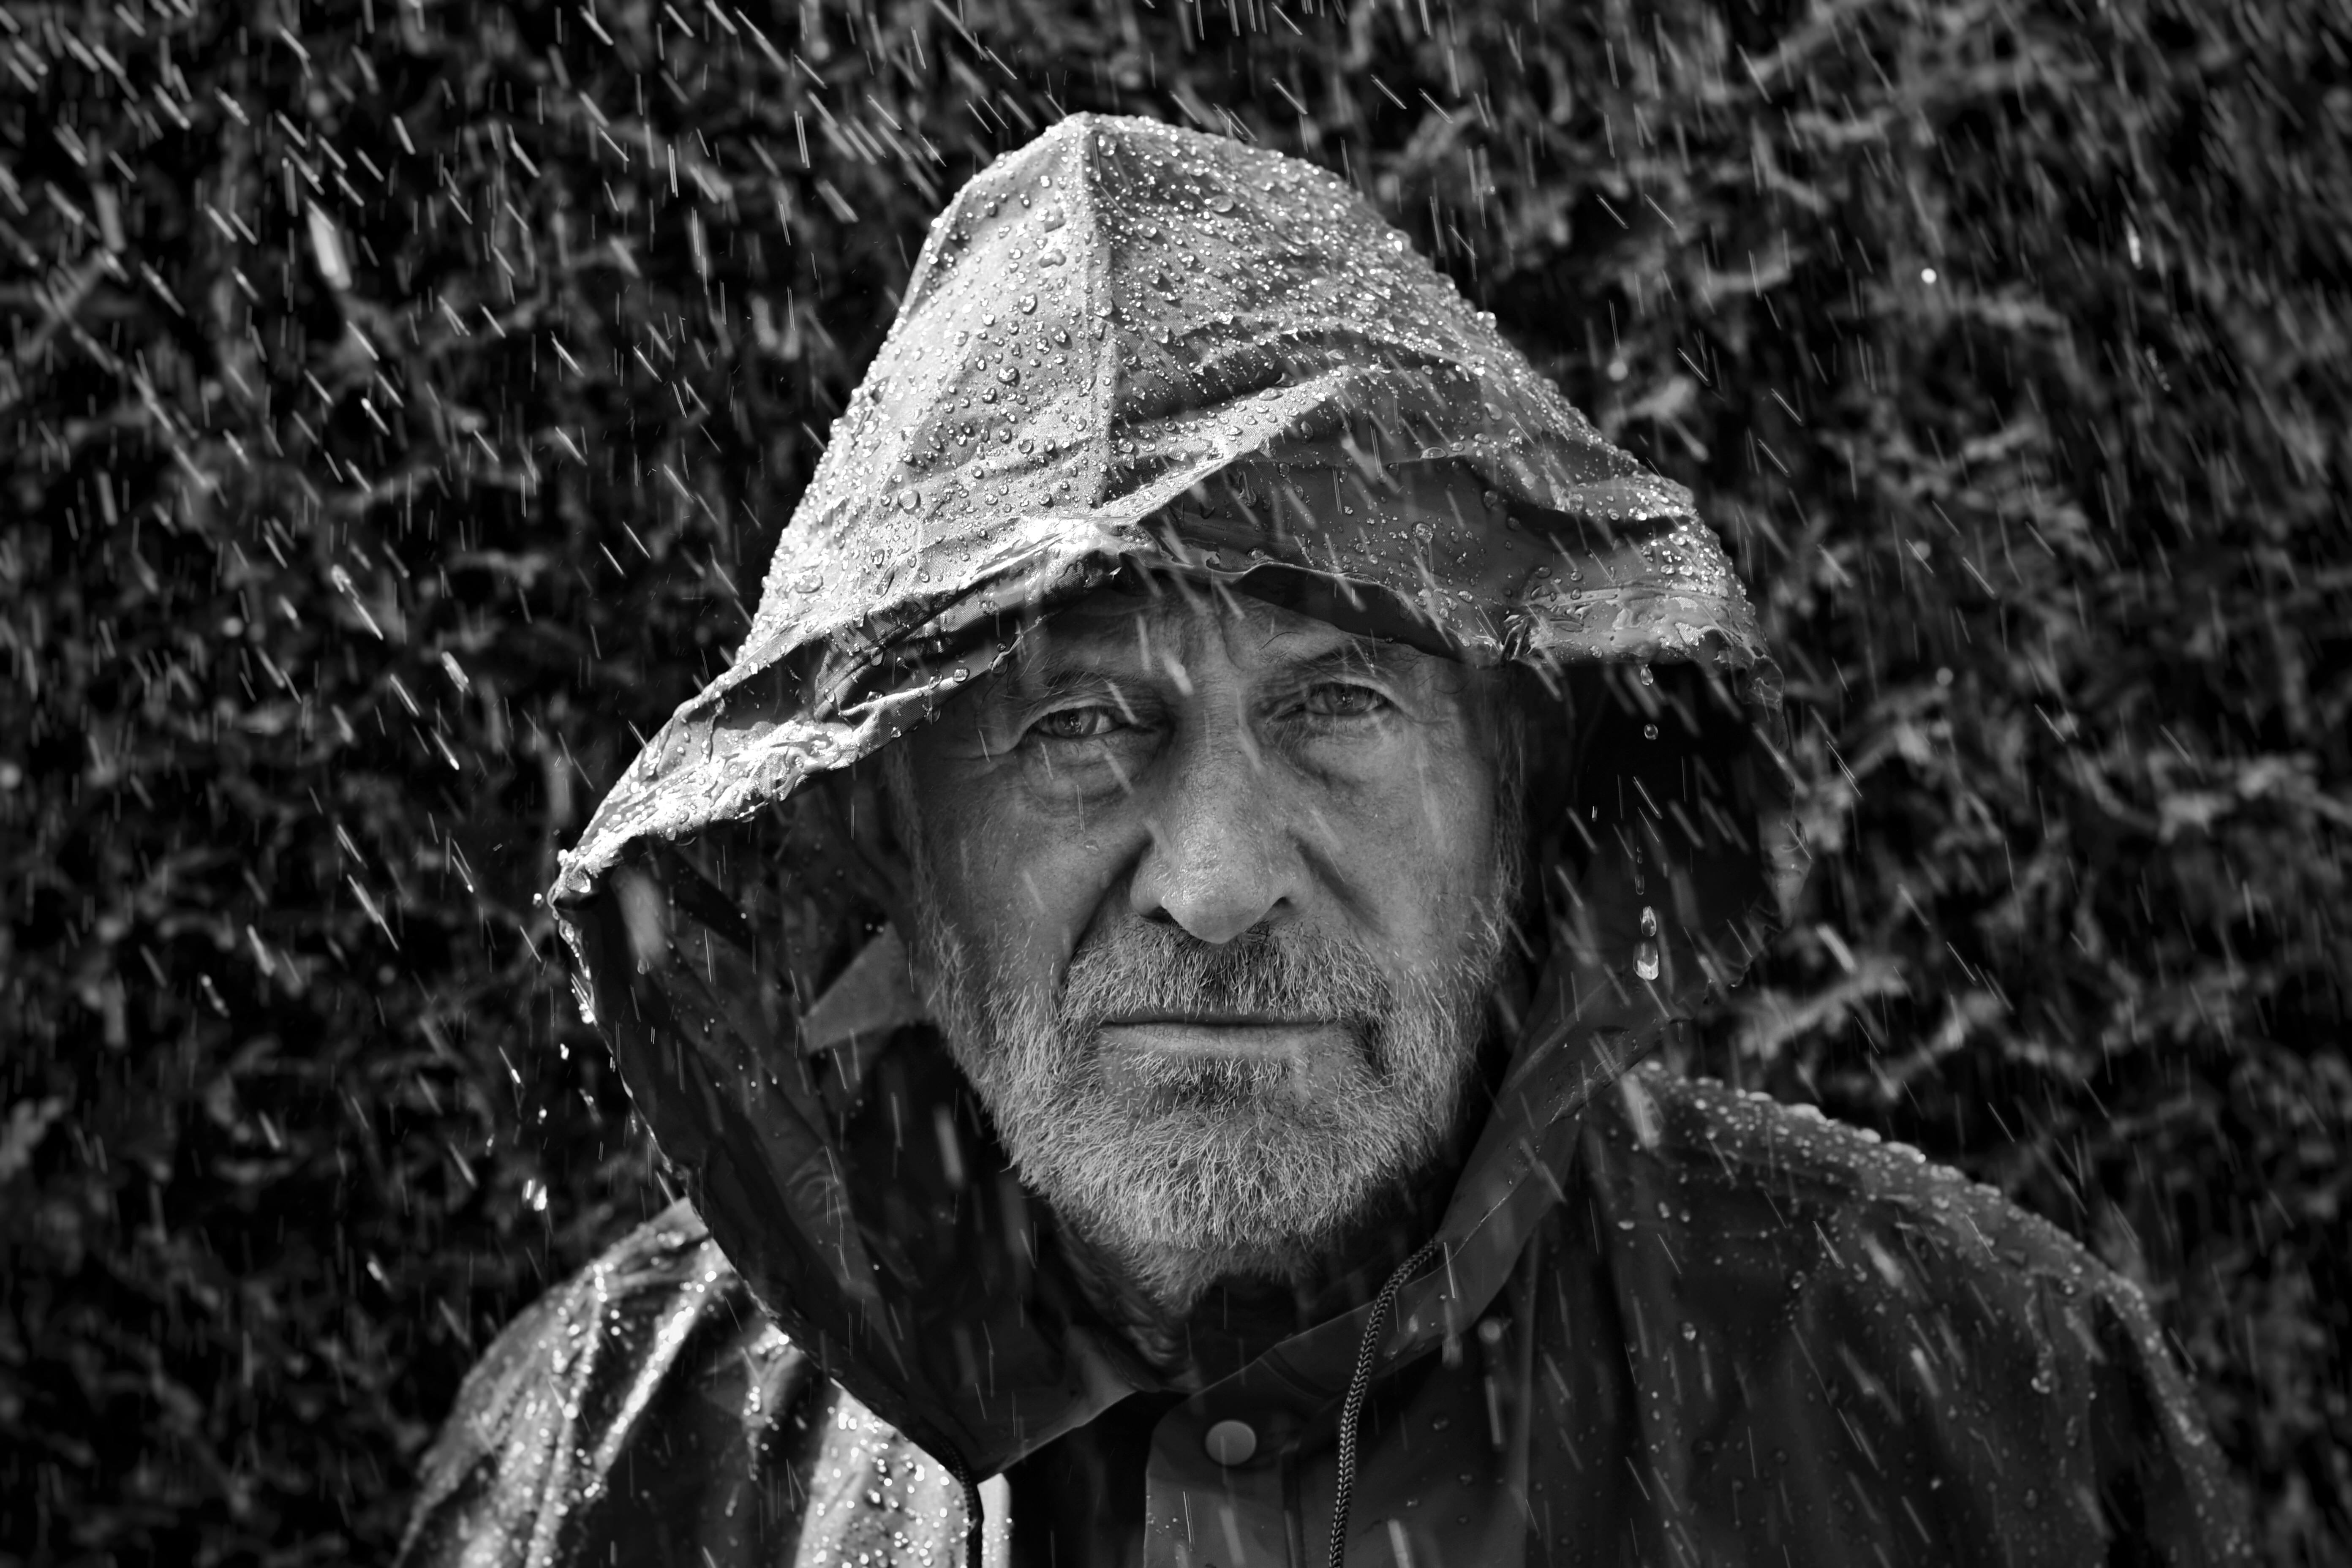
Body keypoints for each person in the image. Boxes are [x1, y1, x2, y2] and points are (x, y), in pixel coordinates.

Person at [397, 114, 2246, 1568]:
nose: (1213, 878)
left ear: (1530, 783)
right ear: (883, 826)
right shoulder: (613, 1473)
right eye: (1077, 720)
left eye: (1341, 704)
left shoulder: (1969, 1407)